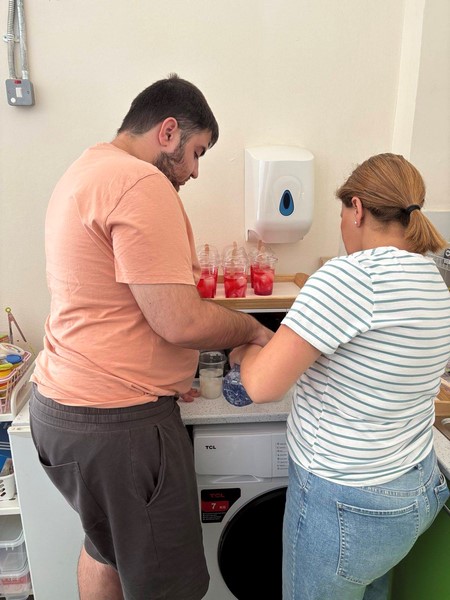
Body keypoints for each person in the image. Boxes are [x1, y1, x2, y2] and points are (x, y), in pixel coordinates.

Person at [29, 74, 273, 600]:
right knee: (169, 588)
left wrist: (167, 372)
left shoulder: (85, 170)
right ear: (167, 132)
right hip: (118, 426)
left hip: (63, 408)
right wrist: (253, 328)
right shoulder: (142, 184)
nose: (195, 171)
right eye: (196, 152)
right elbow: (180, 321)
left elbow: (116, 306)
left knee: (105, 548)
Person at [230, 153, 450, 600]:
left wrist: (246, 348)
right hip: (412, 489)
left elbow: (262, 386)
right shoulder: (432, 276)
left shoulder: (350, 277)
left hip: (345, 502)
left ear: (357, 209)